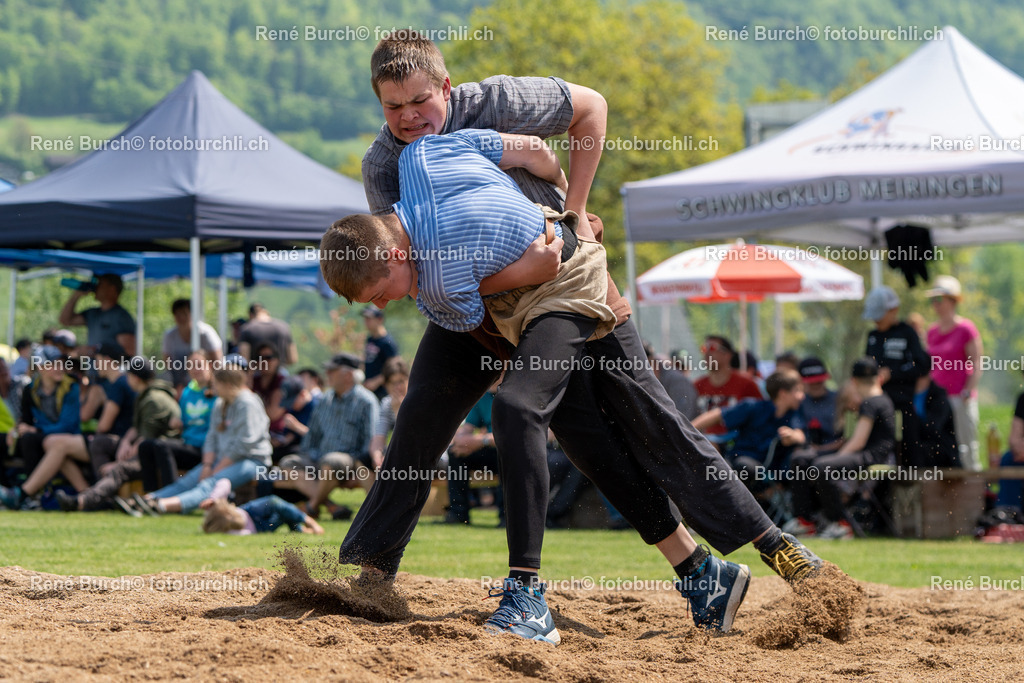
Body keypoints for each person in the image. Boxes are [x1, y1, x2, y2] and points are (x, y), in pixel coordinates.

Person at [333, 30, 824, 641]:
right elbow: (404, 268)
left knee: (642, 422)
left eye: (418, 103)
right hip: (473, 307)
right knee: (418, 427)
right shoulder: (388, 163)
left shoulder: (495, 103)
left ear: (448, 89)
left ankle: (776, 554)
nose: (407, 118)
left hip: (563, 284)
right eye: (391, 107)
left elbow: (589, 107)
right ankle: (369, 578)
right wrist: (513, 277)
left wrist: (574, 210)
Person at [138, 365, 271, 515]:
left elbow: (245, 444)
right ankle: (147, 500)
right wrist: (207, 465)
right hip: (222, 460)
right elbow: (211, 437)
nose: (212, 386)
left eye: (216, 383)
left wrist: (217, 468)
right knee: (187, 481)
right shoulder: (220, 403)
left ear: (227, 385)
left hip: (252, 461)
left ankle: (162, 506)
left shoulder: (247, 403)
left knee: (211, 483)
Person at [786, 358, 896, 540]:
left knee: (822, 467)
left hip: (873, 457)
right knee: (801, 459)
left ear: (853, 380)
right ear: (879, 378)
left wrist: (835, 458)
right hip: (868, 455)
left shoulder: (871, 403)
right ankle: (805, 521)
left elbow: (859, 442)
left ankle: (841, 523)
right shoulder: (881, 400)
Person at [56, 359, 180, 513]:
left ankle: (84, 501)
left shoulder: (153, 399)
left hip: (153, 456)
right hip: (143, 448)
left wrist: (118, 462)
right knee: (100, 443)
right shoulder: (145, 395)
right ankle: (104, 498)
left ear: (135, 378)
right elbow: (136, 427)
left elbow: (147, 440)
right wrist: (125, 442)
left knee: (120, 469)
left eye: (128, 376)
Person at [276, 353, 379, 513]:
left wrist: (361, 469)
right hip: (320, 458)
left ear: (348, 375)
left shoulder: (366, 401)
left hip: (348, 461)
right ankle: (332, 506)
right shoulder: (325, 400)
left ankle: (312, 506)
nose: (327, 374)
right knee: (288, 463)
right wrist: (307, 455)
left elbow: (370, 439)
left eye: (332, 370)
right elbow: (312, 435)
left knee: (330, 461)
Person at [692, 369, 806, 499]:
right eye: (798, 391)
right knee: (714, 467)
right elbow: (718, 415)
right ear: (783, 393)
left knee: (742, 467)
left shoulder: (793, 416)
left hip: (762, 472)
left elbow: (800, 435)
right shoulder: (754, 406)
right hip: (735, 460)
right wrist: (688, 428)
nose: (802, 396)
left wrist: (792, 436)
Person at [1, 347, 83, 509]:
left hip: (64, 436)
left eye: (61, 364)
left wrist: (35, 430)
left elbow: (67, 425)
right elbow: (26, 421)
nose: (60, 368)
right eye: (54, 365)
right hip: (41, 435)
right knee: (6, 439)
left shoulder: (71, 387)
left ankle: (31, 496)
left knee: (30, 439)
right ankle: (7, 491)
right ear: (41, 367)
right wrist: (16, 430)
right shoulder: (30, 388)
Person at [863, 285, 930, 465]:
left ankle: (912, 488)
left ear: (894, 310)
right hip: (878, 405)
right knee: (881, 451)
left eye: (880, 315)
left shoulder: (908, 333)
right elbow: (866, 366)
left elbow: (922, 365)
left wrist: (893, 373)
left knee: (909, 452)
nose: (876, 321)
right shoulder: (873, 336)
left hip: (903, 404)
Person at [136, 349, 217, 492]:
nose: (195, 369)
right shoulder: (187, 392)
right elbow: (184, 423)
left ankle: (170, 494)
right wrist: (177, 423)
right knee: (146, 446)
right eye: (191, 365)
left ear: (209, 366)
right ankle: (150, 494)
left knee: (162, 446)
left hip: (206, 450)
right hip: (187, 445)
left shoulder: (217, 393)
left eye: (198, 364)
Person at [925, 275, 983, 471]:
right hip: (939, 401)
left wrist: (968, 391)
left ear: (952, 300)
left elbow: (976, 363)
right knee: (942, 447)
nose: (936, 304)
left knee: (966, 446)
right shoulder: (932, 331)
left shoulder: (966, 328)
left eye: (939, 299)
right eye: (933, 299)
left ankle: (975, 496)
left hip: (961, 398)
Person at [441, 379, 502, 527]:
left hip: (508, 451)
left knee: (507, 454)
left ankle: (506, 517)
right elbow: (467, 428)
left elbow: (512, 436)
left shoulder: (511, 394)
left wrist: (480, 441)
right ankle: (458, 513)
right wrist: (459, 441)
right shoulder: (483, 396)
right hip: (489, 449)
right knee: (456, 453)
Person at [693, 335, 764, 436]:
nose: (707, 353)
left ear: (727, 355)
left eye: (712, 347)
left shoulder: (747, 384)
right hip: (702, 442)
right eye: (704, 348)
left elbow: (760, 417)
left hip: (735, 445)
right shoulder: (697, 385)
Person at [199, 478, 324, 535]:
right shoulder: (221, 531)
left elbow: (225, 482)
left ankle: (307, 521)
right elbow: (245, 534)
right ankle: (300, 530)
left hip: (250, 512)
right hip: (260, 528)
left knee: (274, 502)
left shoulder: (213, 506)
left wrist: (213, 498)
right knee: (282, 514)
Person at [58, 273, 136, 355]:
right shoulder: (93, 313)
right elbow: (65, 320)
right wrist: (76, 295)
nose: (96, 287)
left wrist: (93, 351)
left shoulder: (121, 317)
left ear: (112, 289)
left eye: (100, 284)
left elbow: (129, 351)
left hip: (109, 367)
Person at [161, 299, 223, 390]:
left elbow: (218, 362)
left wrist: (212, 385)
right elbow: (168, 363)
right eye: (177, 314)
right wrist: (177, 385)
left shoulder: (206, 333)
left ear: (191, 314)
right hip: (181, 385)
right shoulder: (170, 336)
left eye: (184, 313)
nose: (181, 317)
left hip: (206, 385)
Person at [369, 357, 409, 469]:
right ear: (386, 385)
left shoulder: (417, 401)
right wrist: (376, 456)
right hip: (401, 454)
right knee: (365, 461)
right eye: (392, 383)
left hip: (427, 456)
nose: (398, 387)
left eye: (401, 381)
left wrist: (398, 411)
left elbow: (410, 440)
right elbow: (379, 437)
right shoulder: (387, 403)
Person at [798, 357, 844, 454]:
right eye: (811, 383)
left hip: (836, 453)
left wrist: (821, 449)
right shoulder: (799, 403)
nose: (815, 385)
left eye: (819, 381)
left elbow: (846, 438)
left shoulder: (839, 399)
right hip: (806, 453)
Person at [644, 343, 698, 420]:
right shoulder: (661, 379)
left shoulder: (680, 382)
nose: (679, 370)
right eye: (676, 365)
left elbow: (683, 421)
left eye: (682, 367)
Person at [995, 376, 1024, 512]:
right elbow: (1014, 434)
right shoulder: (1022, 399)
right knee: (1008, 459)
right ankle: (1008, 512)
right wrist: (1018, 447)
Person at [360, 306, 399, 400]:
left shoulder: (387, 342)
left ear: (379, 319)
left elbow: (394, 368)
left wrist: (375, 382)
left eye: (369, 319)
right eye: (365, 319)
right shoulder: (370, 339)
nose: (366, 322)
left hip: (382, 392)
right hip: (368, 388)